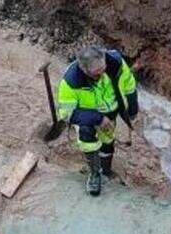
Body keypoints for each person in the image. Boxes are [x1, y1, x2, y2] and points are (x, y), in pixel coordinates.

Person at [57, 44, 138, 196]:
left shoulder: (115, 63)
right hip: (87, 119)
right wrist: (98, 118)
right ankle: (95, 173)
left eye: (103, 70)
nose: (101, 76)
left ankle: (106, 169)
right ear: (84, 70)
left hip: (111, 111)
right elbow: (67, 114)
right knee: (88, 141)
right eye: (96, 74)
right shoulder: (71, 82)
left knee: (108, 140)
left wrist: (132, 108)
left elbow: (129, 85)